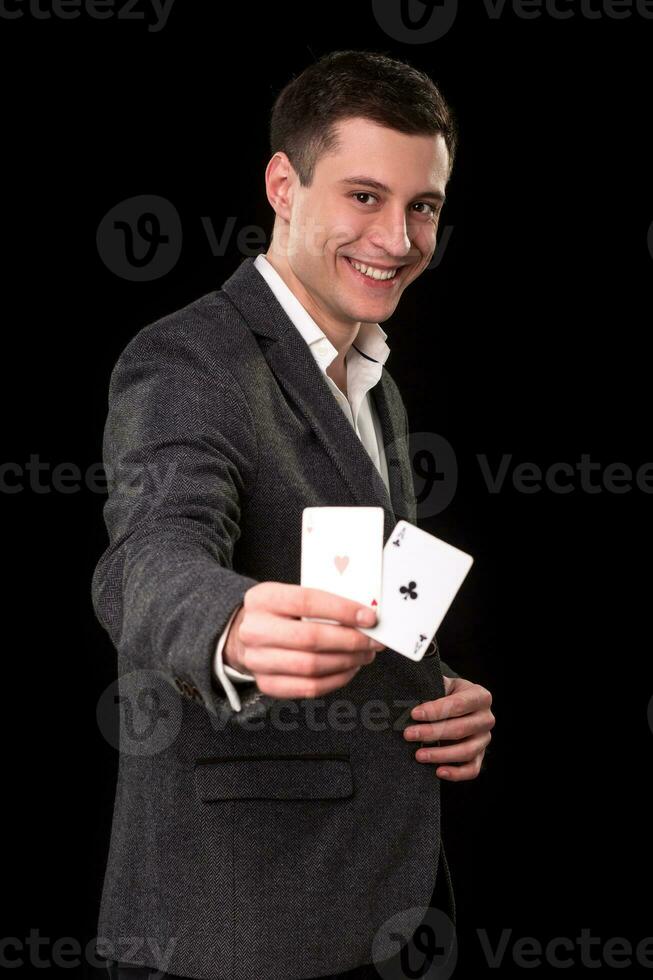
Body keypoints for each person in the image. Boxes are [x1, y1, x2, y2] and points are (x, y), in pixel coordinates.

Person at [92, 49, 495, 980]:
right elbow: (150, 555)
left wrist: (435, 688)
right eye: (363, 196)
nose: (396, 239)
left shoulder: (371, 378)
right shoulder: (187, 360)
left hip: (378, 894)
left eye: (421, 205)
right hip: (238, 918)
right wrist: (226, 625)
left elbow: (360, 590)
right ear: (283, 184)